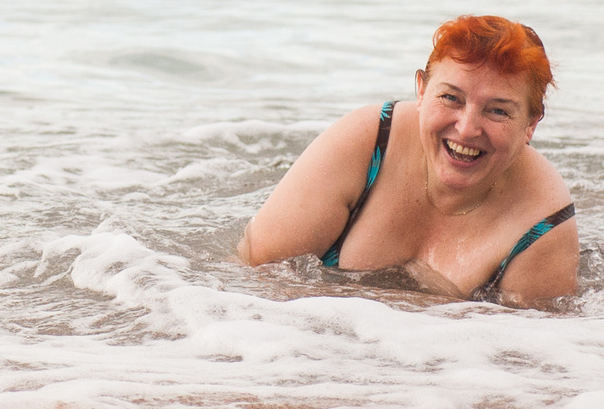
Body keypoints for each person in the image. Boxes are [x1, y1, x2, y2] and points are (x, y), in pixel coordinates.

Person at [237, 16, 578, 306]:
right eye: (450, 97)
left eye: (498, 110)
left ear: (531, 124)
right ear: (421, 91)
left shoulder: (543, 226)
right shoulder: (369, 140)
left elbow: (522, 361)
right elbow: (252, 277)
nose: (467, 128)